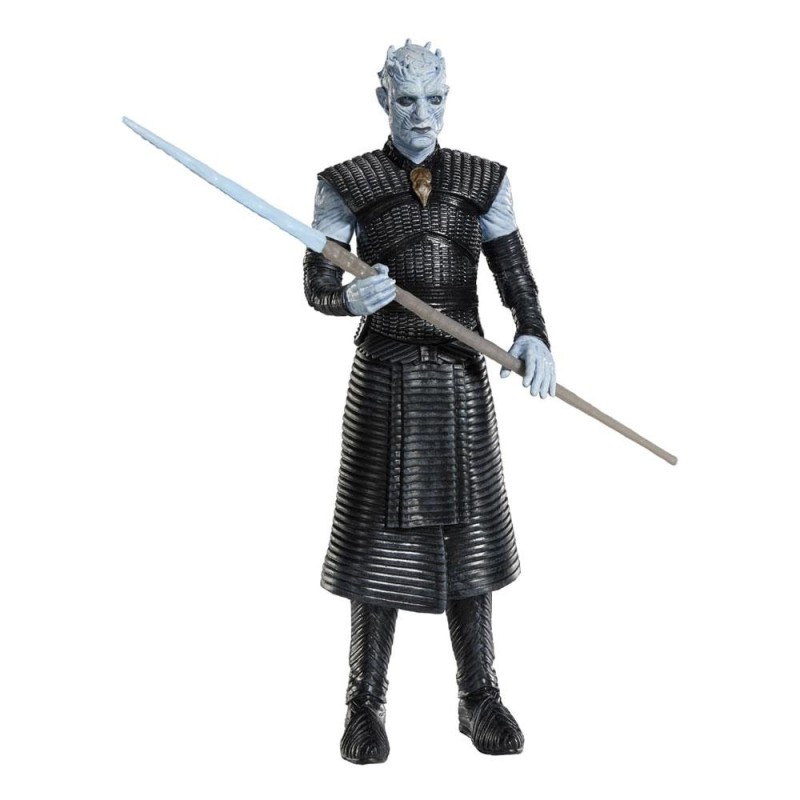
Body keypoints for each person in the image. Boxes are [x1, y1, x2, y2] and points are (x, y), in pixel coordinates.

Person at [303, 40, 556, 764]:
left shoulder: (483, 179)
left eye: (435, 99)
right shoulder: (345, 182)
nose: (422, 115)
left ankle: (478, 696)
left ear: (449, 97)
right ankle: (364, 703)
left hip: (458, 379)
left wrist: (533, 334)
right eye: (408, 100)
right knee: (375, 547)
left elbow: (515, 274)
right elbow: (316, 284)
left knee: (469, 542)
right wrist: (349, 298)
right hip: (384, 378)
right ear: (383, 98)